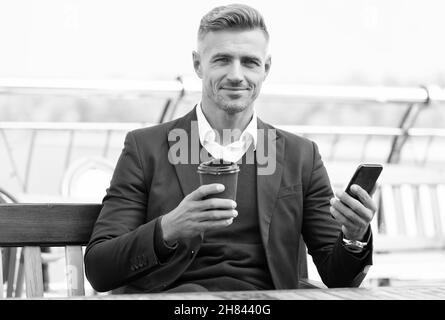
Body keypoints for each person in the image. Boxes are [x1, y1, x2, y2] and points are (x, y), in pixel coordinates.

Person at [84, 4, 375, 293]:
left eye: (249, 62)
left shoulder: (301, 156)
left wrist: (354, 237)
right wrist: (168, 228)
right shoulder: (145, 148)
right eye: (222, 60)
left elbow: (339, 278)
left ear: (266, 68)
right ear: (198, 64)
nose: (236, 75)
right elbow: (99, 268)